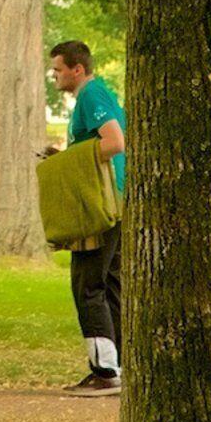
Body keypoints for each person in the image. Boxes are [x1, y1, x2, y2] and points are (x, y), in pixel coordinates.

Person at [51, 39, 126, 394]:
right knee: (111, 283)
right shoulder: (97, 93)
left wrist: (70, 161)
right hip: (116, 201)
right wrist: (64, 155)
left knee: (88, 284)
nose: (54, 76)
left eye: (57, 70)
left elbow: (114, 142)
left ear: (76, 69)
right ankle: (121, 365)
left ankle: (105, 372)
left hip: (98, 202)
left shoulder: (92, 95)